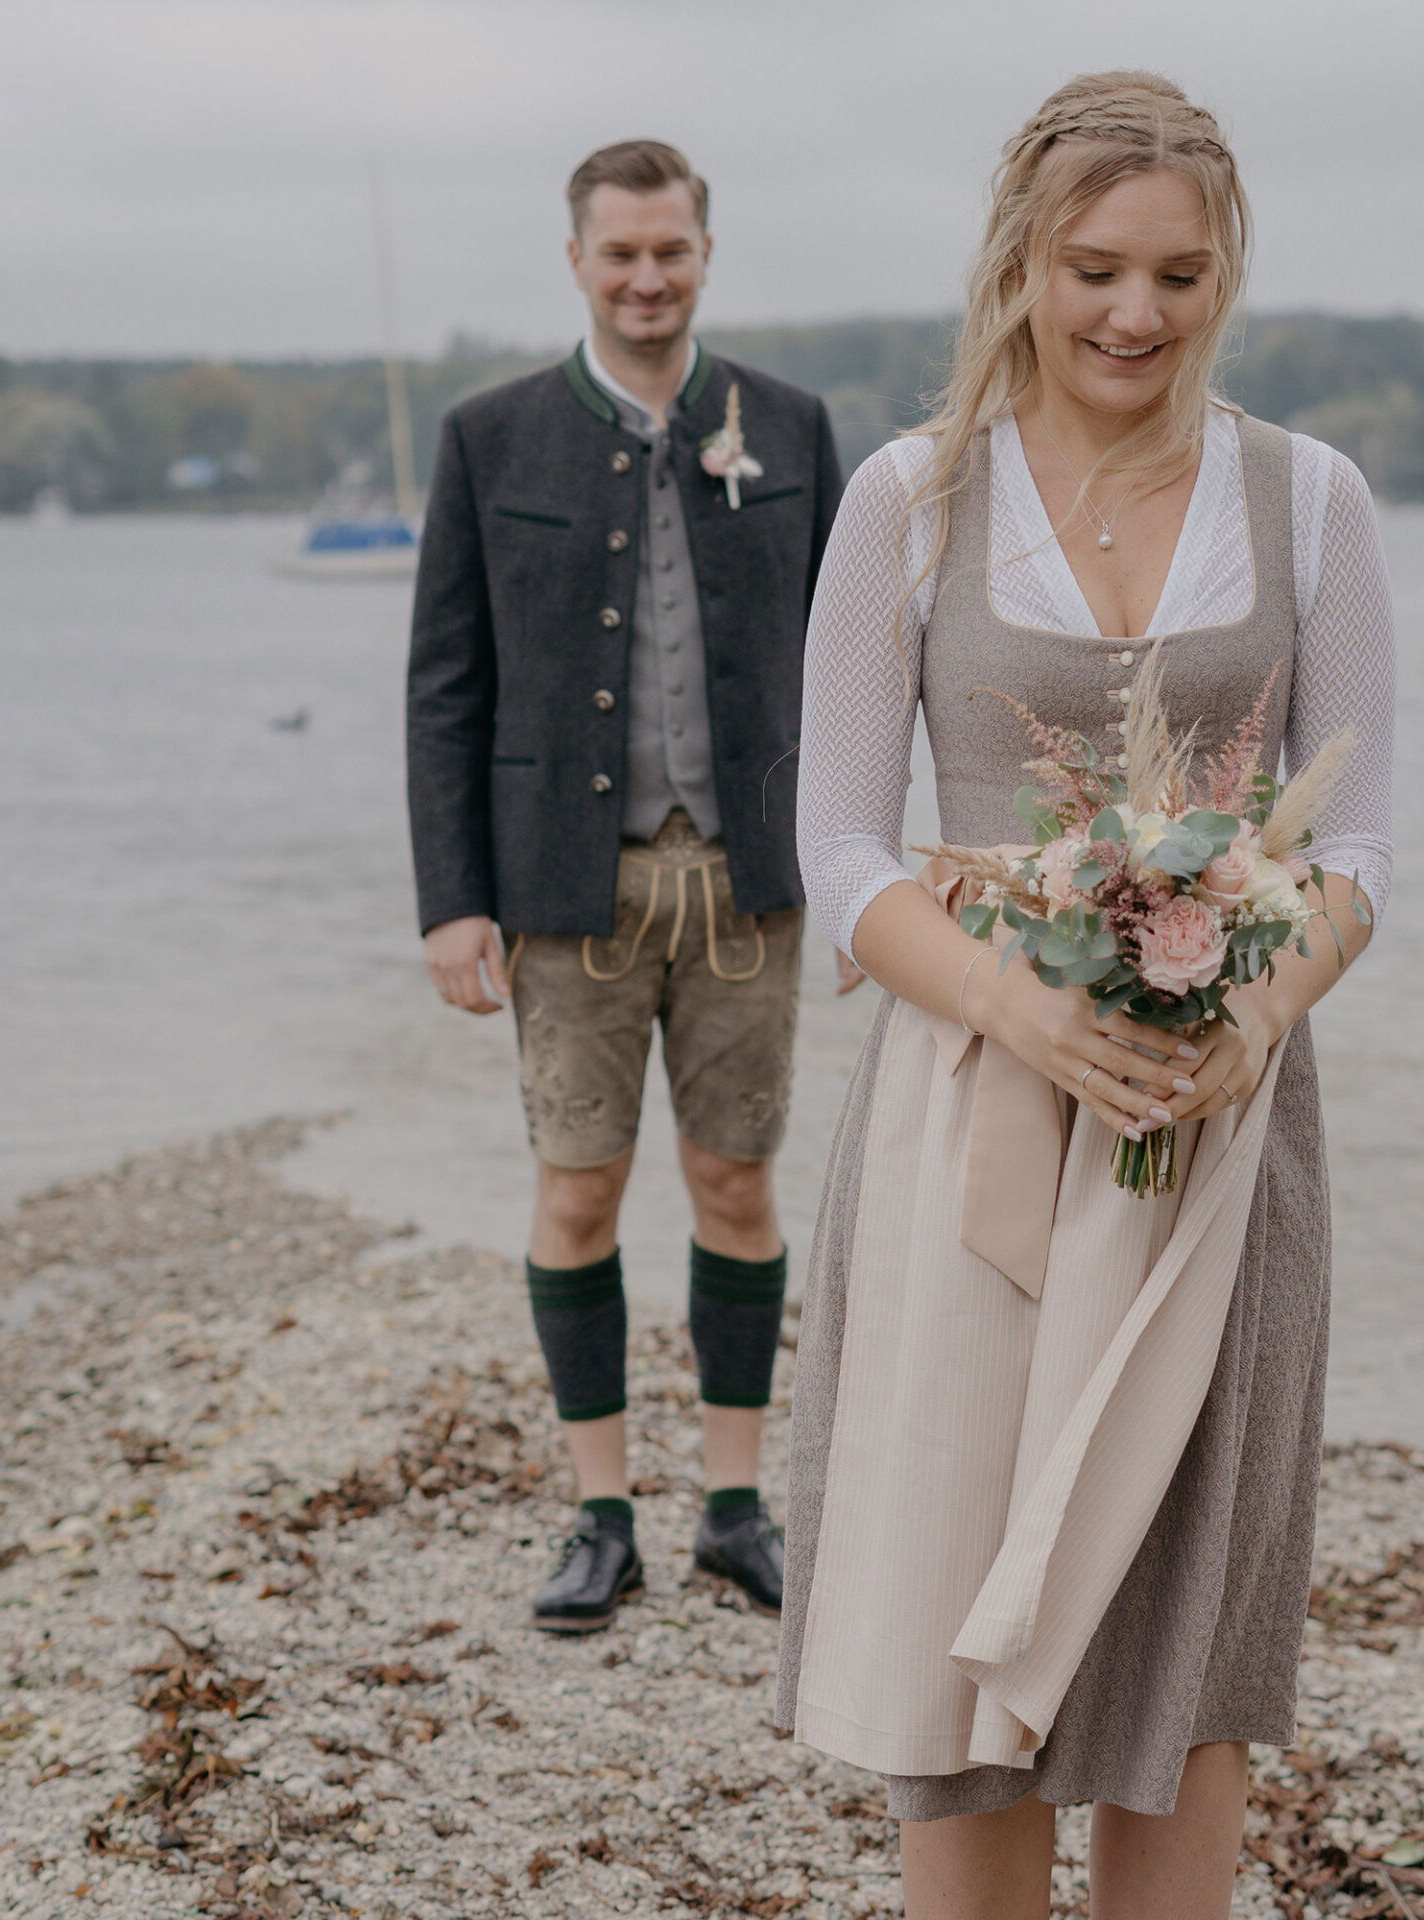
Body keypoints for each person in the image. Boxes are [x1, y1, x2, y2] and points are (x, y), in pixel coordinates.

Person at [776, 72, 1396, 1918]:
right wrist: (1029, 1015)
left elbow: (1363, 843)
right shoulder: (910, 497)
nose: (1137, 314)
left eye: (1182, 276)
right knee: (954, 1616)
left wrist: (1255, 1020)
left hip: (1215, 1128)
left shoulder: (1310, 503)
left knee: (1182, 1612)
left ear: (1226, 278)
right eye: (1096, 269)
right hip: (972, 1109)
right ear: (1023, 264)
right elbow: (839, 842)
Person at [406, 138, 846, 1633]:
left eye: (671, 251)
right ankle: (601, 1514)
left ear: (705, 253)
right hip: (557, 892)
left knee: (737, 1180)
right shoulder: (490, 437)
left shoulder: (787, 425)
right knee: (577, 1191)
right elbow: (445, 685)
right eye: (619, 255)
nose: (646, 277)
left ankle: (734, 1504)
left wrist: (868, 877)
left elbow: (858, 675)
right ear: (579, 261)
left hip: (752, 884)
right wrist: (450, 898)